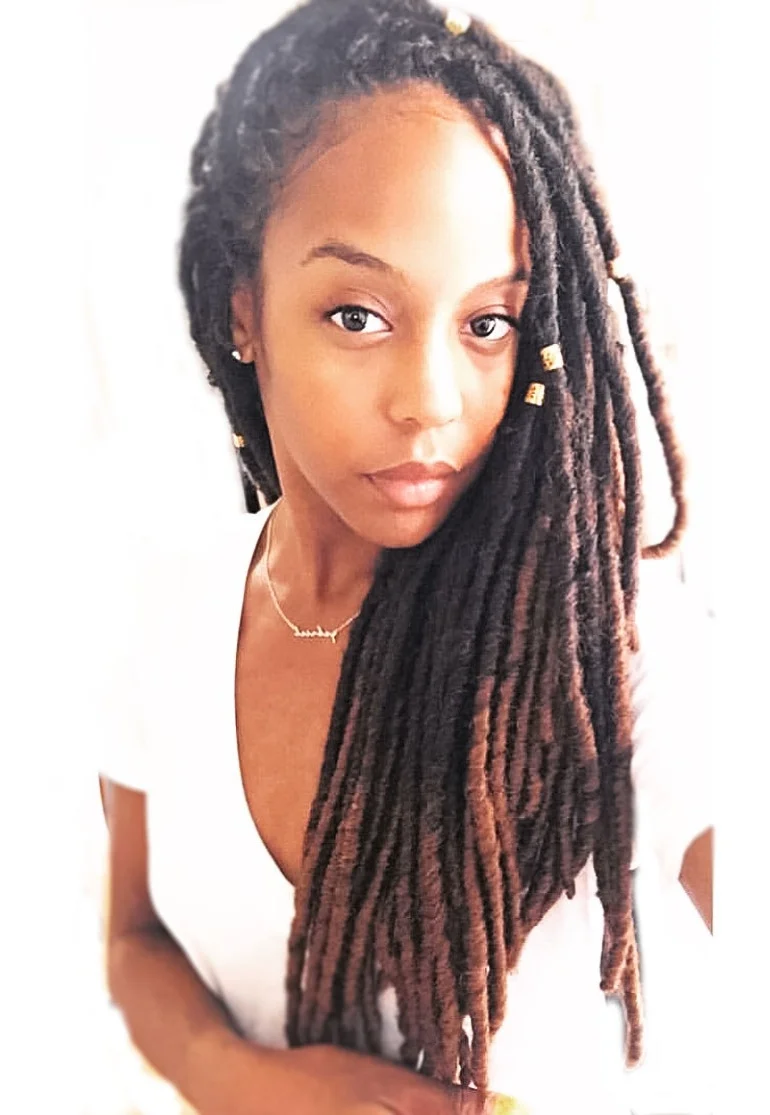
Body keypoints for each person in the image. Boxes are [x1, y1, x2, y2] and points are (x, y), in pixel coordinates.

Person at [98, 1, 713, 1112]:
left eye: (488, 324)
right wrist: (243, 1079)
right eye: (357, 314)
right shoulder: (165, 611)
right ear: (245, 312)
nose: (431, 402)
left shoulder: (612, 637)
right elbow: (136, 939)